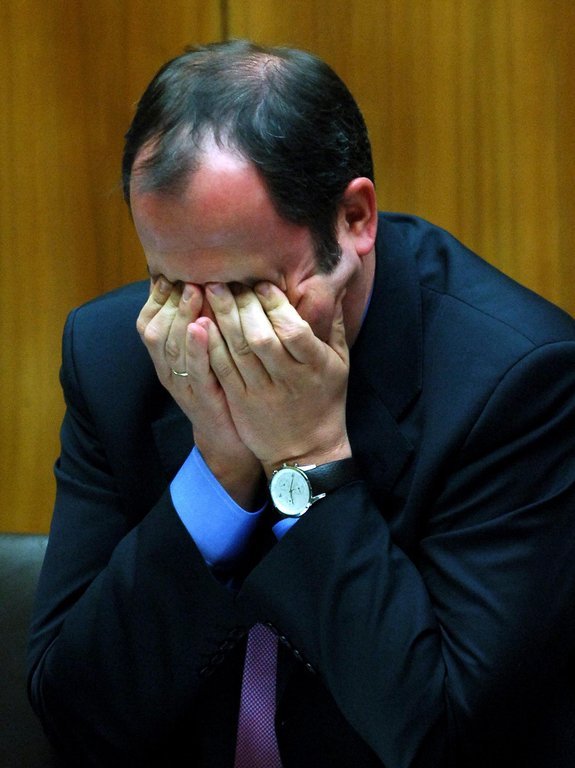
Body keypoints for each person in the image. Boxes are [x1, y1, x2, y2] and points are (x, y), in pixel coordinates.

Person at [28, 39, 575, 767]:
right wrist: (219, 470)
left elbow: (442, 741)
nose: (207, 333)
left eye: (247, 291)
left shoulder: (515, 380)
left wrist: (306, 460)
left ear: (353, 219)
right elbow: (75, 719)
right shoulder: (115, 357)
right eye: (170, 284)